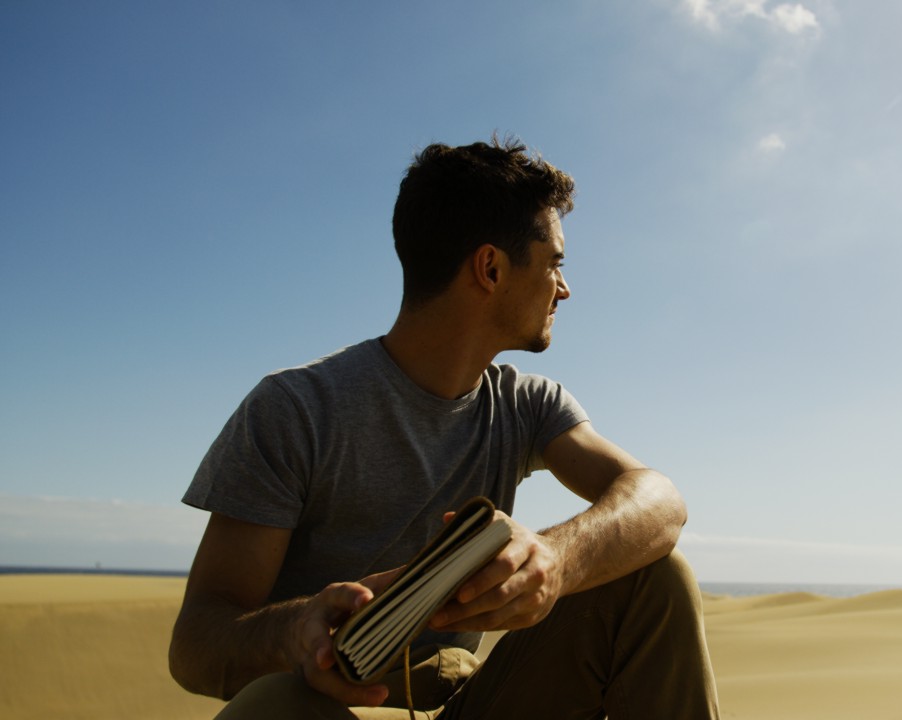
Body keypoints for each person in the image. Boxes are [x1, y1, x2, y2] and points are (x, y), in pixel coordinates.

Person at [169, 136, 720, 719]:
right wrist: (295, 632)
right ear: (490, 268)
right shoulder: (295, 409)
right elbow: (196, 647)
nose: (565, 288)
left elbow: (660, 501)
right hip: (325, 706)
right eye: (555, 263)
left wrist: (555, 559)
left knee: (654, 575)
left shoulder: (525, 403)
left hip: (463, 704)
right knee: (273, 706)